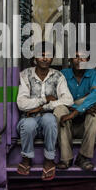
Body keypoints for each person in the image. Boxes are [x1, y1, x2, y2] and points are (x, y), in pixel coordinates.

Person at [16, 41, 74, 181]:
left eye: (48, 55)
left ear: (52, 58)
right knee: (29, 124)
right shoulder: (25, 75)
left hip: (48, 120)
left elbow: (68, 100)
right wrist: (44, 99)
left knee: (49, 119)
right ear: (34, 58)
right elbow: (21, 103)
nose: (44, 58)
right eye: (40, 55)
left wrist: (42, 107)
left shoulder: (58, 76)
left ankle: (49, 159)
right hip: (27, 119)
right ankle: (26, 158)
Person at [54, 46, 96, 171]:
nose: (79, 60)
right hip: (66, 124)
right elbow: (59, 98)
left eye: (83, 57)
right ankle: (66, 158)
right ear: (71, 59)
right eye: (76, 56)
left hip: (84, 127)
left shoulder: (92, 74)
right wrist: (83, 107)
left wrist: (76, 110)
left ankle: (83, 157)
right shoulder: (63, 74)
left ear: (88, 59)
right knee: (60, 109)